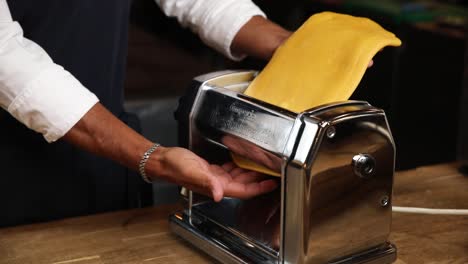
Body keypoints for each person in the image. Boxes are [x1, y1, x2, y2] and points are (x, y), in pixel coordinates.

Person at [0, 0, 292, 227]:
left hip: (107, 158)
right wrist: (154, 158)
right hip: (13, 174)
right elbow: (6, 57)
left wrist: (298, 48)